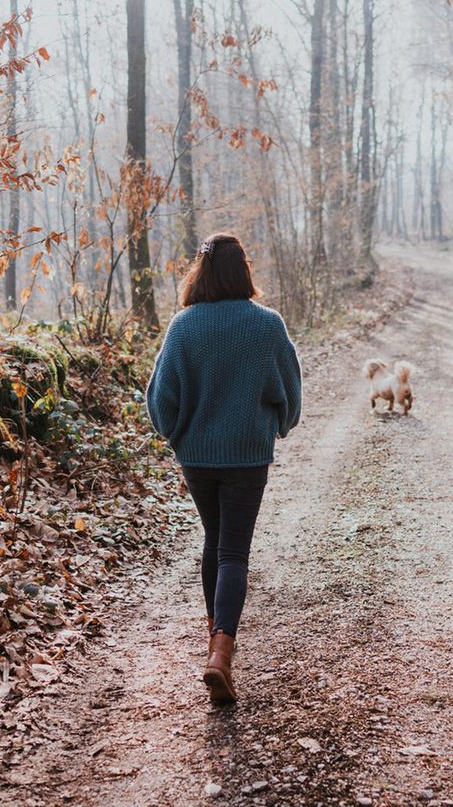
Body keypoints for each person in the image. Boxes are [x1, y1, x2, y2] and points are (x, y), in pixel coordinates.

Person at [145, 232, 303, 705]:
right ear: (244, 271)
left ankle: (216, 640)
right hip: (248, 455)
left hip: (196, 455)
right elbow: (290, 390)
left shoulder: (183, 325)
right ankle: (221, 652)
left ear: (202, 271)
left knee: (213, 543)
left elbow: (160, 398)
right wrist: (281, 423)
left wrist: (173, 432)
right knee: (234, 551)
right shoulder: (267, 325)